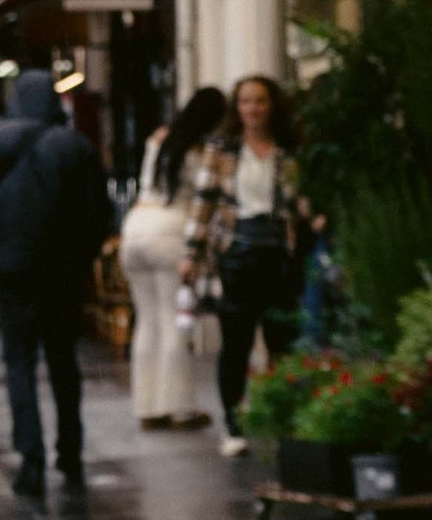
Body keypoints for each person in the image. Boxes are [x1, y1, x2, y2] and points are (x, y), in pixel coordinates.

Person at [0, 69, 114, 498]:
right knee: (62, 359)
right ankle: (70, 451)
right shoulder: (74, 146)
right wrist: (81, 257)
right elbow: (98, 212)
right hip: (62, 270)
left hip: (11, 269)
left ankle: (30, 458)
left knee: (18, 361)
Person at [183, 71, 316, 459]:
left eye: (260, 100)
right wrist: (191, 253)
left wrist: (313, 213)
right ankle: (233, 423)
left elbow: (300, 200)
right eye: (245, 101)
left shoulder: (287, 149)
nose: (253, 109)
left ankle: (283, 420)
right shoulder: (223, 149)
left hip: (279, 252)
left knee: (281, 341)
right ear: (236, 108)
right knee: (236, 343)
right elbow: (204, 200)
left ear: (272, 105)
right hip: (236, 252)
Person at [118, 86, 228, 429]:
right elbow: (204, 201)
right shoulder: (203, 151)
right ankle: (179, 407)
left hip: (135, 228)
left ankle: (147, 408)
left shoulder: (158, 140)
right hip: (170, 232)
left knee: (147, 321)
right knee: (174, 321)